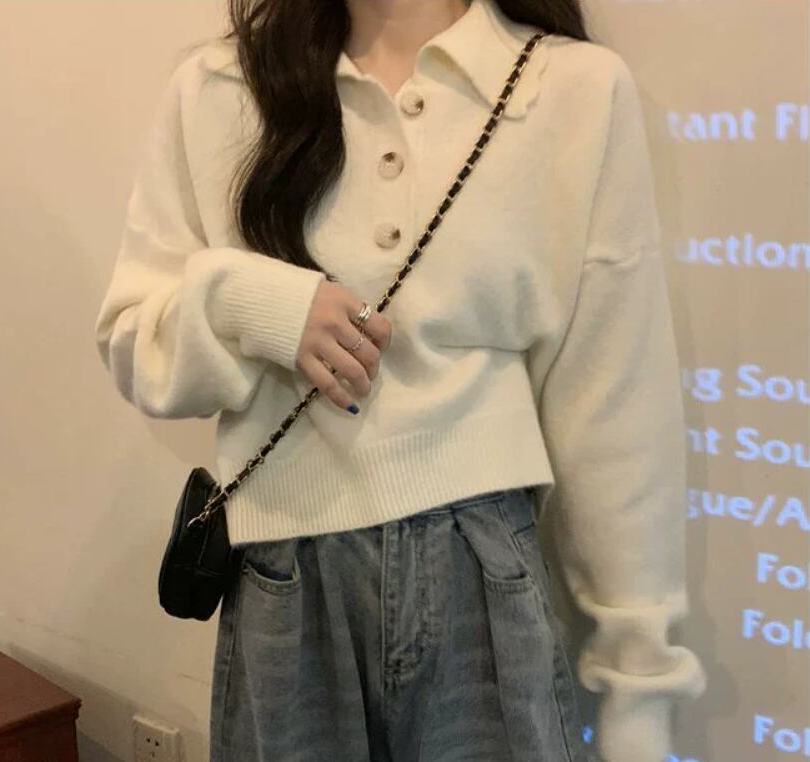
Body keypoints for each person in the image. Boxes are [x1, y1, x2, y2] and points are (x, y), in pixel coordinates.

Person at [93, 0, 708, 760]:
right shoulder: (220, 87)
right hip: (285, 575)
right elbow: (133, 341)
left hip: (481, 572)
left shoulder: (572, 88)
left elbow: (614, 400)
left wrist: (637, 678)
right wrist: (247, 302)